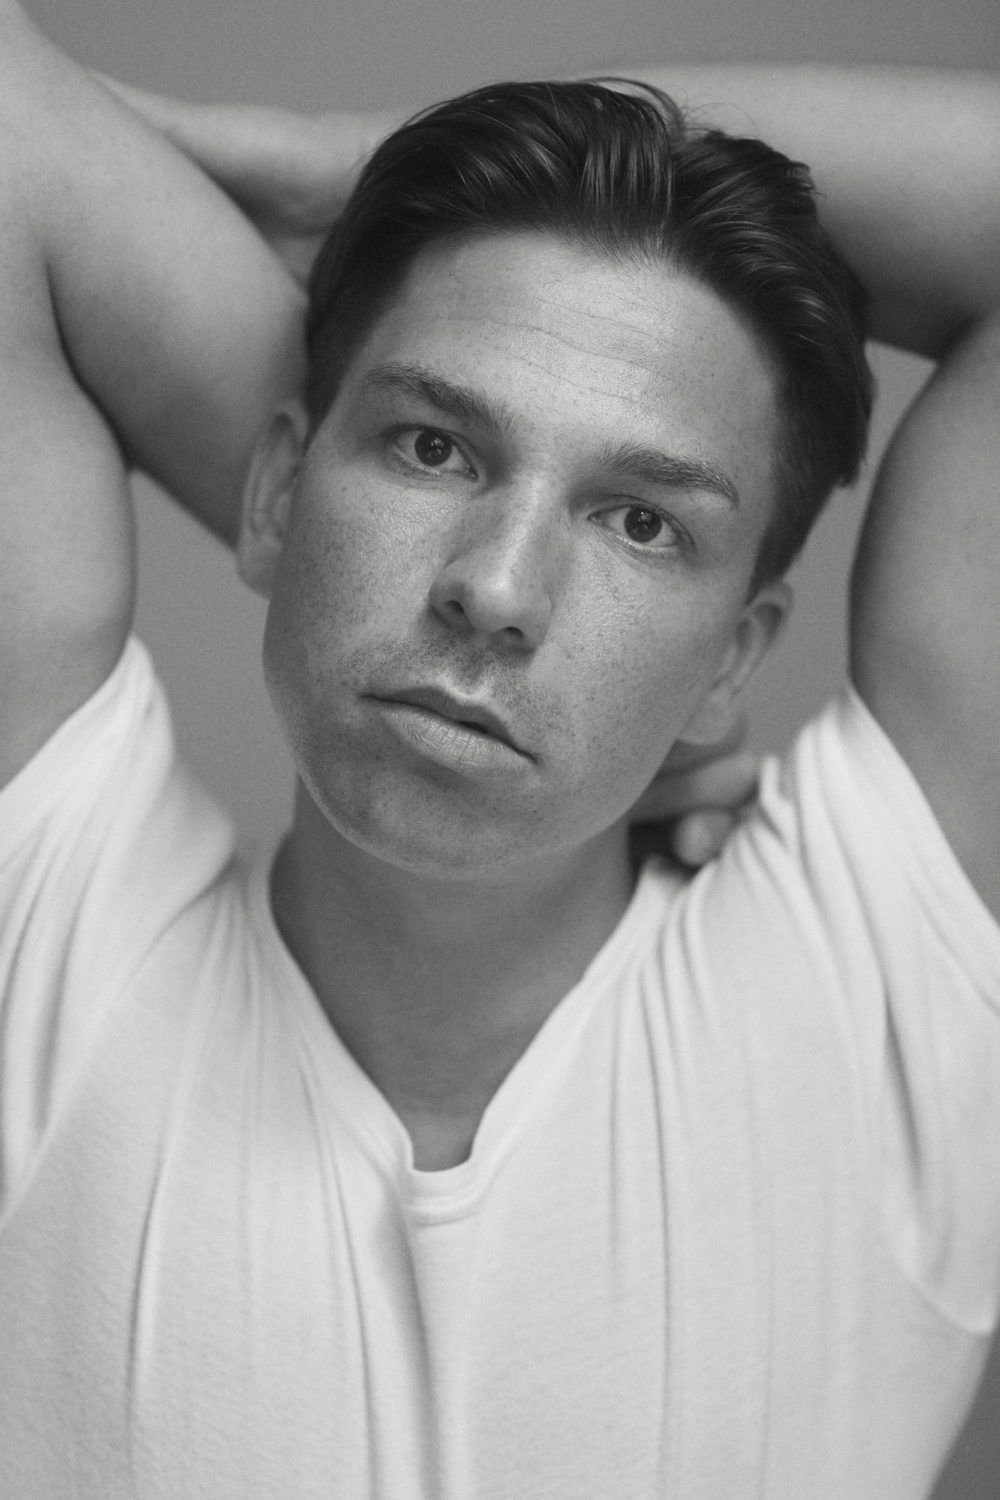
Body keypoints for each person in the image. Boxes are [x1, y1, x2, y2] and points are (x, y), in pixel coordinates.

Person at [0, 0, 997, 1493]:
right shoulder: (44, 943)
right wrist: (415, 186)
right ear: (277, 493)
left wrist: (363, 164)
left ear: (733, 658)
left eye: (641, 523)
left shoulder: (880, 996)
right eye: (431, 447)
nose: (498, 589)